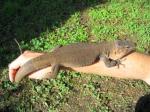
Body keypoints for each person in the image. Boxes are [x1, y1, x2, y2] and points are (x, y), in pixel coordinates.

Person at [8, 50, 150, 85]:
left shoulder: (105, 50)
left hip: (55, 58)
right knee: (53, 72)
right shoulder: (106, 53)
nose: (129, 48)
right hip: (55, 60)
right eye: (126, 47)